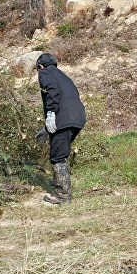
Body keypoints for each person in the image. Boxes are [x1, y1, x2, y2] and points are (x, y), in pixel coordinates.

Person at [35, 53, 86, 204]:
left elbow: (52, 90)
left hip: (63, 117)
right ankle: (59, 182)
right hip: (78, 117)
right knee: (60, 151)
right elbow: (65, 97)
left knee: (58, 155)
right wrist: (46, 128)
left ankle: (62, 196)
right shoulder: (63, 76)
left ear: (40, 66)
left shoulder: (45, 72)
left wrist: (50, 113)